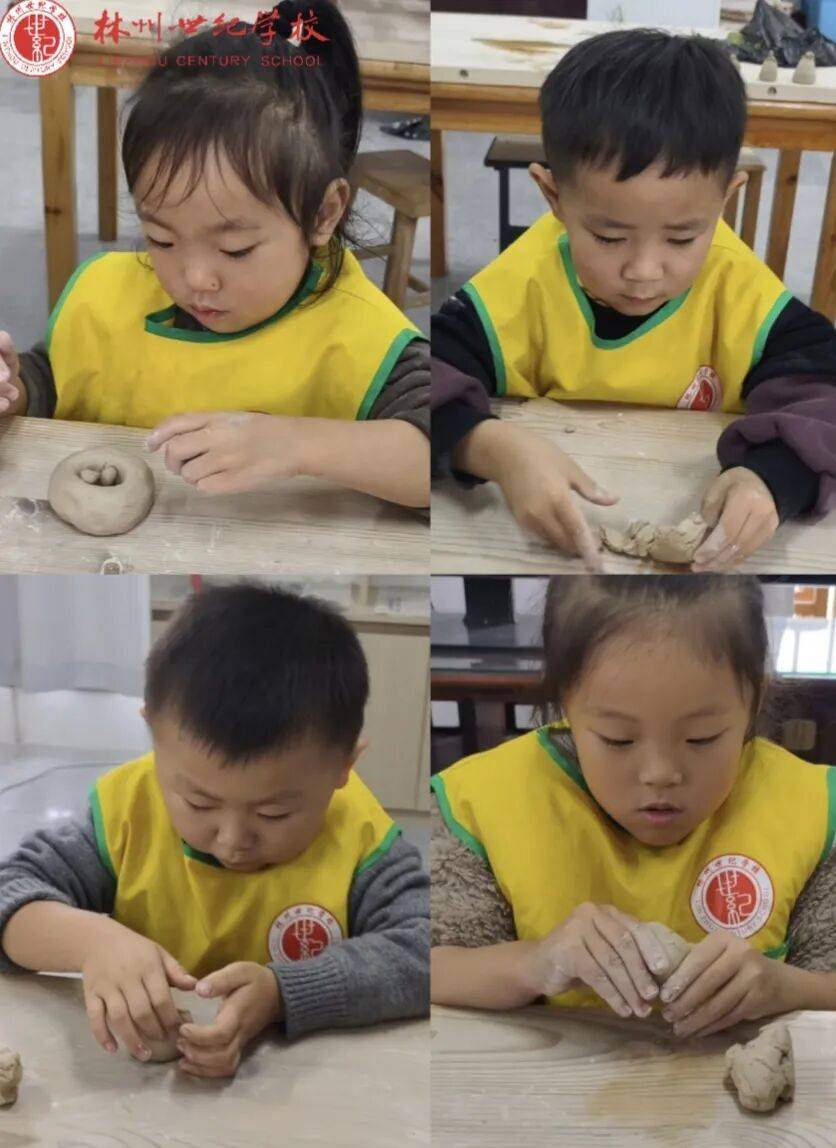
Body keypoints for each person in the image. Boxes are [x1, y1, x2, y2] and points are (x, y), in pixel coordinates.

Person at [0, 1, 429, 508]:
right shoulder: (106, 299)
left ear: (322, 214)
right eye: (161, 239)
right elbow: (54, 384)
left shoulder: (356, 333)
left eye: (235, 249)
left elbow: (436, 454)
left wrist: (294, 444)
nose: (196, 278)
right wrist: (14, 390)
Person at [431, 29, 836, 566]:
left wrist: (775, 477)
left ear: (725, 200)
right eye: (608, 237)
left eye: (682, 238)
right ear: (553, 197)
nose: (643, 271)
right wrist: (489, 447)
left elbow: (824, 395)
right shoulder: (521, 287)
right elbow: (415, 381)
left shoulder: (742, 294)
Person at [0, 583, 429, 1078]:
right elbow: (12, 893)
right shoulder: (126, 814)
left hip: (306, 1086)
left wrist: (283, 993)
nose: (232, 840)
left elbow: (424, 952)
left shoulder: (362, 840)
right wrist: (93, 942)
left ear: (343, 766)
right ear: (154, 737)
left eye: (273, 814)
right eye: (199, 803)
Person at [431, 576, 836, 1036]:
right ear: (566, 702)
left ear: (754, 700)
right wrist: (535, 962)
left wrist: (787, 988)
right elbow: (434, 969)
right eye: (618, 740)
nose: (660, 774)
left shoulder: (811, 810)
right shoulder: (483, 805)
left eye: (701, 738)